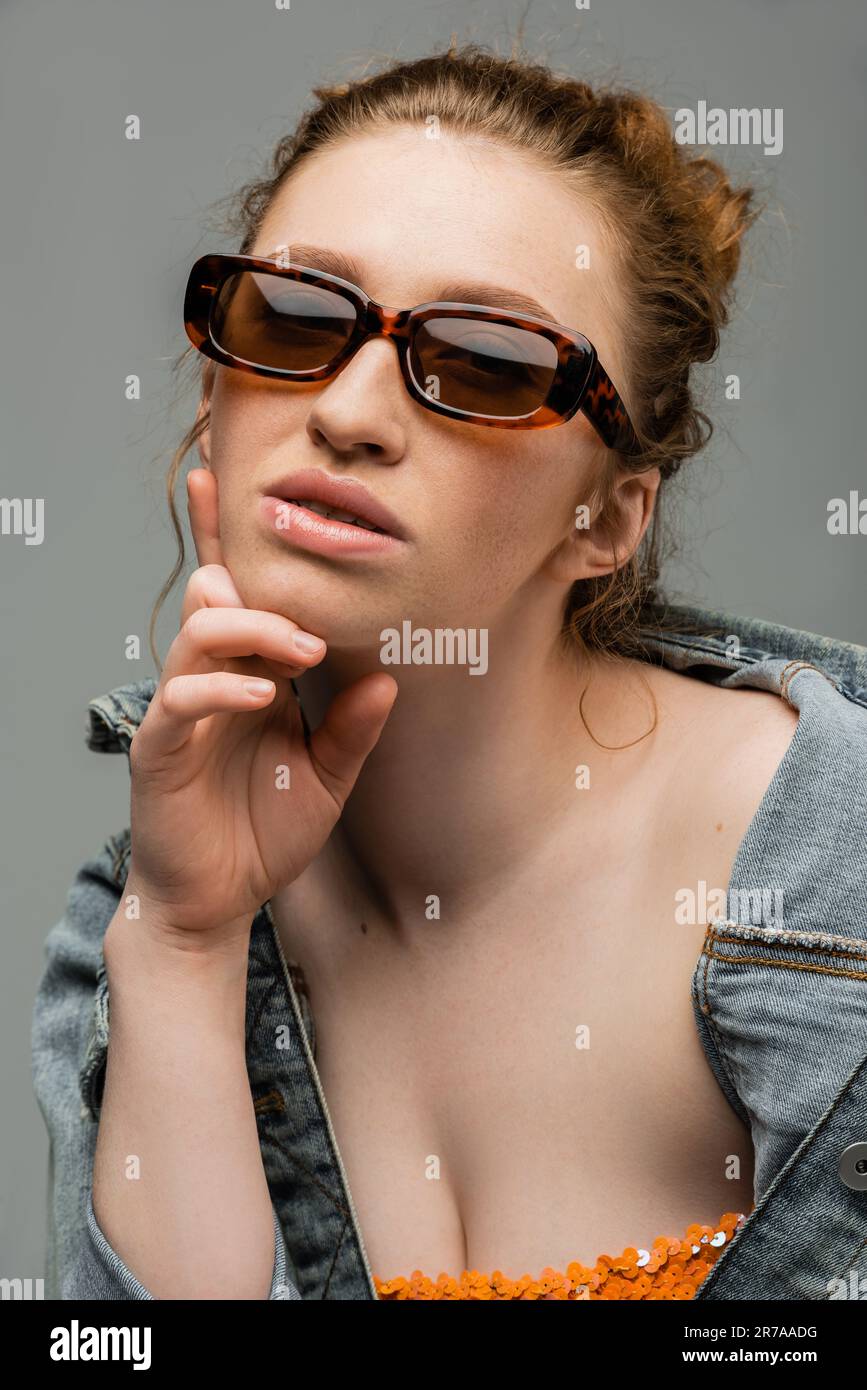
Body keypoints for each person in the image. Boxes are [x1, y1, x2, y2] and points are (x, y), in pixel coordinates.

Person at [32, 41, 867, 1301]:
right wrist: (189, 946)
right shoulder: (140, 925)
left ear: (608, 516)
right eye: (298, 317)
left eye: (485, 362)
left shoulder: (834, 871)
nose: (352, 411)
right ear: (218, 381)